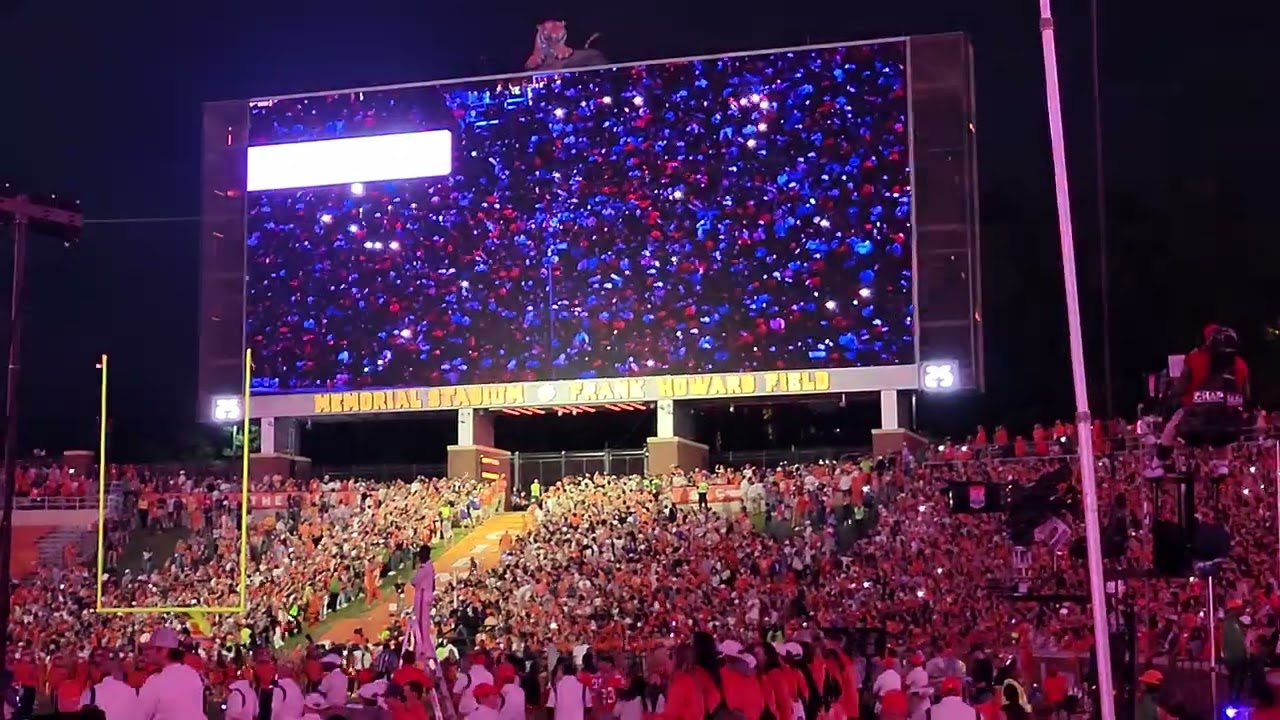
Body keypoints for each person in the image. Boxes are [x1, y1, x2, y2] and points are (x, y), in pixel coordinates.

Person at [136, 627, 207, 720]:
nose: (146, 653)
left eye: (151, 648)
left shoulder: (155, 682)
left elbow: (140, 715)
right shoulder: (193, 675)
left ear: (164, 650)